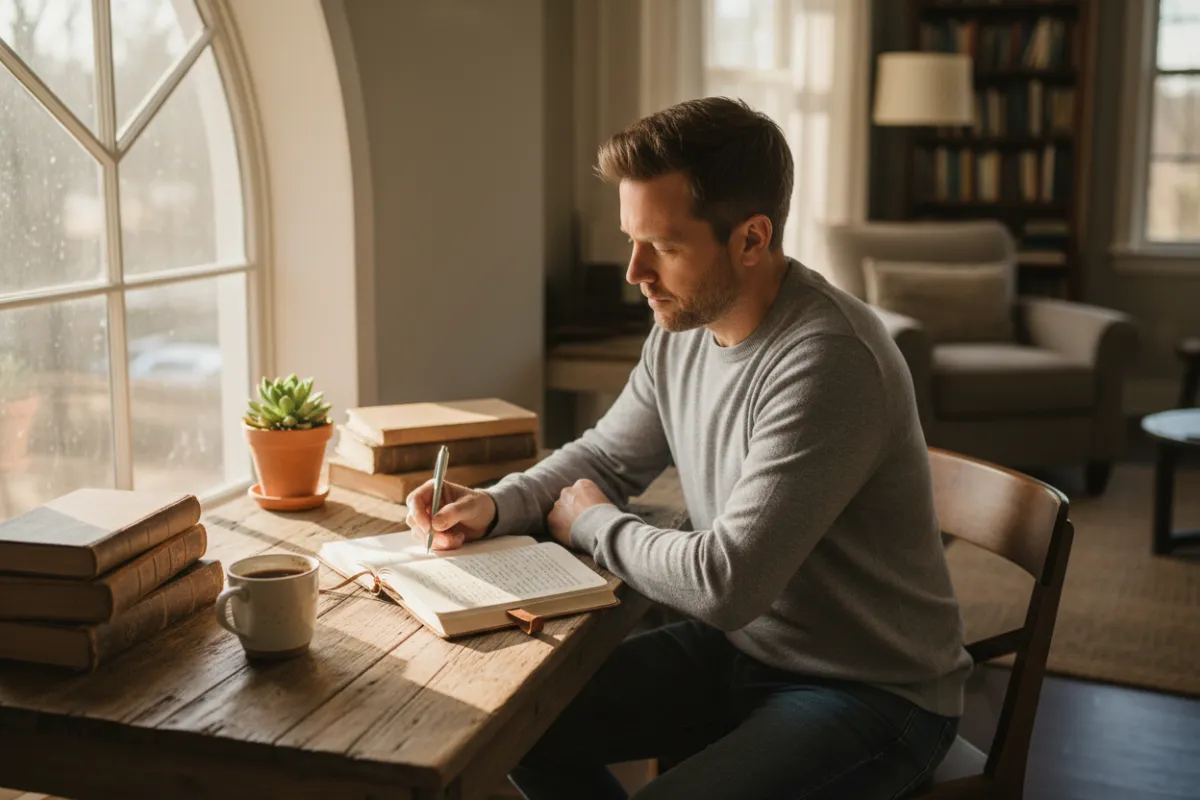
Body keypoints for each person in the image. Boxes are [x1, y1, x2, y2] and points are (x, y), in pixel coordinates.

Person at [405, 97, 971, 800]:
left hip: (871, 690)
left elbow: (725, 582)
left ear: (752, 239)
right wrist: (495, 505)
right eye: (631, 240)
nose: (634, 271)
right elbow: (608, 458)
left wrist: (592, 524)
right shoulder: (681, 332)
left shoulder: (828, 362)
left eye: (665, 248)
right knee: (514, 728)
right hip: (743, 652)